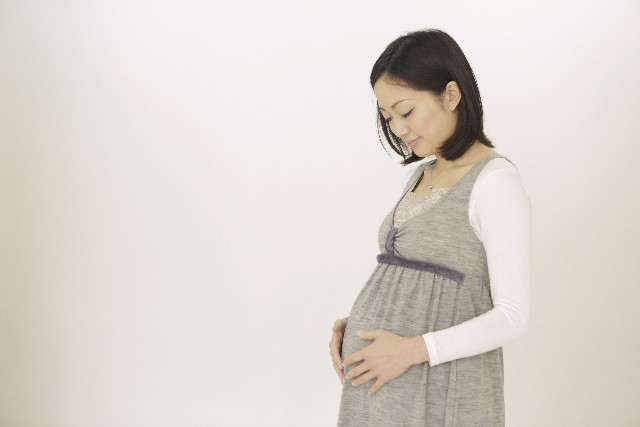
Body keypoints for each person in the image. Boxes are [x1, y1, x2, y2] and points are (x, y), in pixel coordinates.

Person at [329, 29, 531, 426]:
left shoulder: (495, 183)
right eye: (388, 117)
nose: (398, 129)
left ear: (451, 94)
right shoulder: (421, 174)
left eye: (405, 112)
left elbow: (513, 315)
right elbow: (415, 284)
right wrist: (358, 326)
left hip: (437, 390)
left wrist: (408, 351)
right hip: (379, 388)